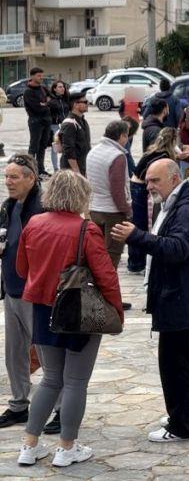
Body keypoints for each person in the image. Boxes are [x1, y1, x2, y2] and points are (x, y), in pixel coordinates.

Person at [15, 170, 124, 467]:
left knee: (50, 379)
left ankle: (29, 445)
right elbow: (105, 275)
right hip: (77, 309)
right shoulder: (85, 230)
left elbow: (22, 269)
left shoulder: (34, 224)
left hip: (42, 310)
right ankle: (66, 448)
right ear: (81, 196)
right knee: (75, 381)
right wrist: (115, 310)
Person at [112, 159, 189, 441]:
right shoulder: (179, 204)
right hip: (183, 294)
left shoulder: (185, 210)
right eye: (147, 181)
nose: (149, 187)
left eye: (155, 181)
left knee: (176, 362)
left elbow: (177, 249)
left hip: (179, 296)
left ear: (173, 178)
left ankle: (182, 425)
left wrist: (137, 236)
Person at [0, 155, 60, 434]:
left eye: (14, 177)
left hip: (32, 292)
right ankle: (19, 404)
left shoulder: (40, 209)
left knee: (46, 354)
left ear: (30, 179)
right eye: (7, 176)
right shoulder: (10, 206)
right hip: (12, 289)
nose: (8, 182)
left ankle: (61, 409)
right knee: (14, 353)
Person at [126, 129, 181, 275]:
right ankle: (136, 263)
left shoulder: (154, 151)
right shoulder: (162, 156)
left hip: (136, 184)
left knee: (140, 223)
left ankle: (136, 262)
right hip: (139, 187)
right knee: (140, 225)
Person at [86, 121, 132, 268]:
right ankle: (108, 288)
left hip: (95, 209)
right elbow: (117, 190)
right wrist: (127, 210)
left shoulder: (94, 151)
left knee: (97, 253)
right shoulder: (117, 156)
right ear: (122, 136)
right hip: (113, 212)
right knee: (112, 255)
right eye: (127, 136)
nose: (127, 140)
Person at [24, 68, 51, 177]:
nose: (41, 78)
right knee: (34, 146)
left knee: (43, 146)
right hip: (35, 121)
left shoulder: (43, 88)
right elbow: (36, 108)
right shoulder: (28, 91)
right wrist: (45, 105)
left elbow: (52, 99)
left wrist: (45, 104)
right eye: (39, 76)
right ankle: (31, 170)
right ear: (32, 76)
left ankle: (41, 169)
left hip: (46, 120)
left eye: (41, 75)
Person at [58, 93, 91, 176]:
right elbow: (68, 150)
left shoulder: (83, 121)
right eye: (85, 102)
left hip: (82, 166)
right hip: (71, 171)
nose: (87, 104)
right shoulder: (70, 124)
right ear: (76, 105)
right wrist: (77, 171)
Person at [46, 81, 70, 173]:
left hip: (65, 125)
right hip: (54, 126)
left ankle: (65, 166)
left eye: (63, 87)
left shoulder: (66, 99)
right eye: (60, 87)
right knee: (55, 148)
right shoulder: (51, 101)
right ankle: (56, 169)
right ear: (54, 89)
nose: (62, 88)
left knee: (67, 146)